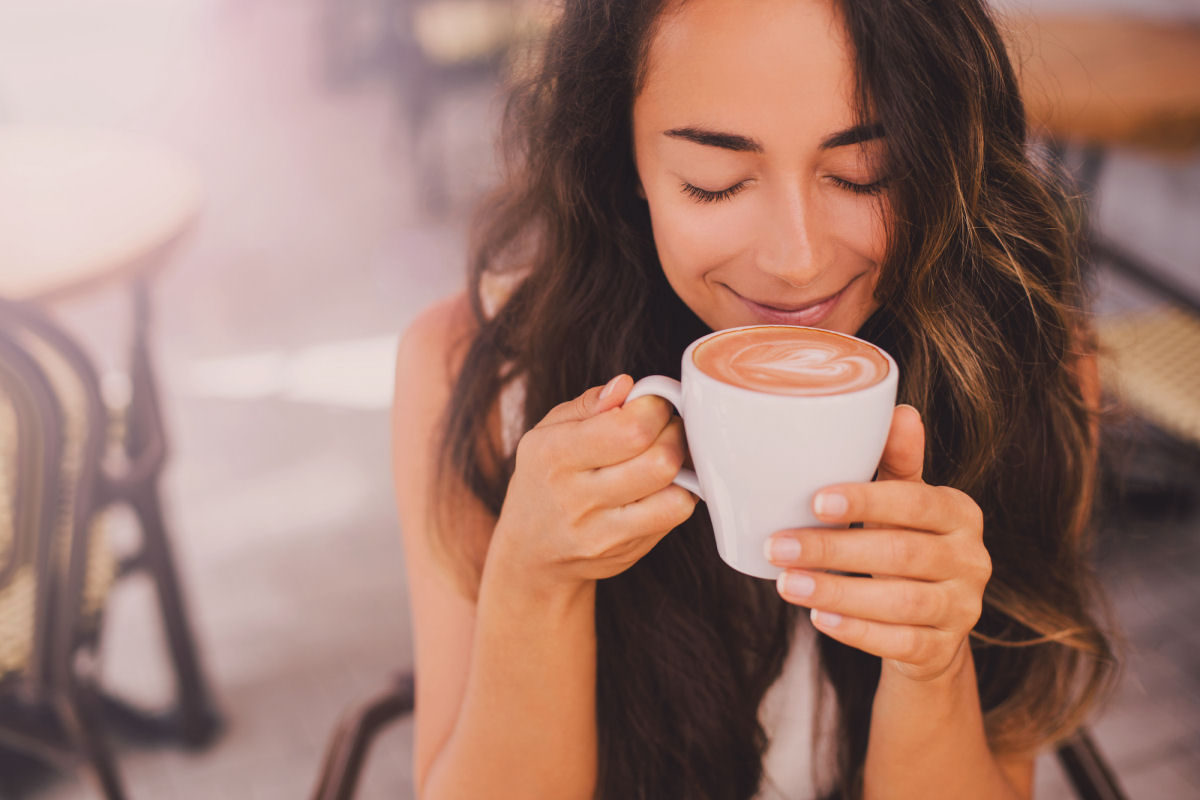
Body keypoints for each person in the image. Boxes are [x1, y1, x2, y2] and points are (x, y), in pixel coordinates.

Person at [391, 0, 1116, 797]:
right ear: (622, 159)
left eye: (864, 174)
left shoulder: (1020, 370)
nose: (797, 260)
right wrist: (532, 582)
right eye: (715, 184)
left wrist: (930, 665)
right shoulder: (476, 375)